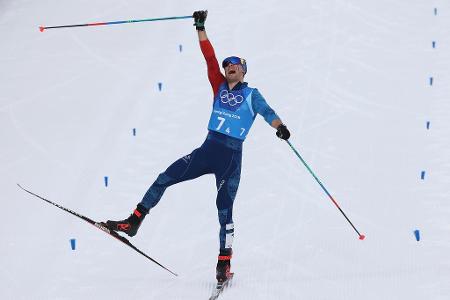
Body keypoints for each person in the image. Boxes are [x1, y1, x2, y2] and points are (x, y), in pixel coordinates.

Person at [104, 10, 291, 283]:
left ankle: (223, 262)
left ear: (243, 70)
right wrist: (200, 28)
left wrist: (280, 127)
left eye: (235, 65)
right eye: (227, 65)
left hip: (230, 157)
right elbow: (209, 58)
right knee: (164, 177)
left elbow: (267, 112)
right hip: (207, 150)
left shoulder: (252, 95)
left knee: (224, 209)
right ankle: (133, 221)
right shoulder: (219, 86)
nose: (229, 67)